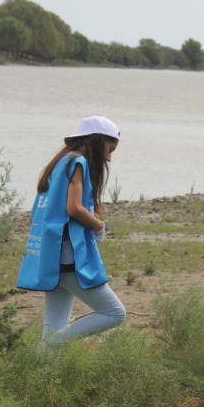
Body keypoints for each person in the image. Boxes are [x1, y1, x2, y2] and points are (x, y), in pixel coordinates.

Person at [16, 116, 126, 345]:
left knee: (53, 329)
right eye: (109, 149)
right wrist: (99, 225)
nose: (109, 157)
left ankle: (41, 373)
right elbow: (74, 208)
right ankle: (47, 347)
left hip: (50, 257)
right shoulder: (79, 162)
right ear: (97, 141)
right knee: (115, 313)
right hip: (69, 258)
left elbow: (35, 213)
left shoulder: (58, 164)